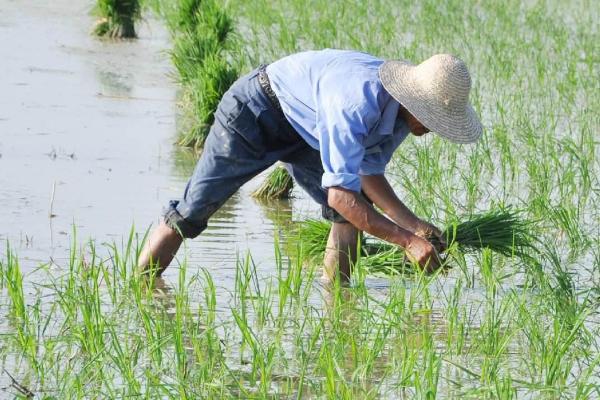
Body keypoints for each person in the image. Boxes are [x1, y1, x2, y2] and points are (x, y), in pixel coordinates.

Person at [138, 49, 483, 283]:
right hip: (255, 112)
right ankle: (140, 290)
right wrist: (406, 242)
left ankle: (337, 303)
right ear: (417, 102)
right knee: (192, 212)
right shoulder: (356, 104)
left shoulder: (401, 118)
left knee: (350, 217)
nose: (433, 129)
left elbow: (368, 174)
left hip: (307, 131)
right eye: (435, 119)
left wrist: (415, 226)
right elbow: (339, 195)